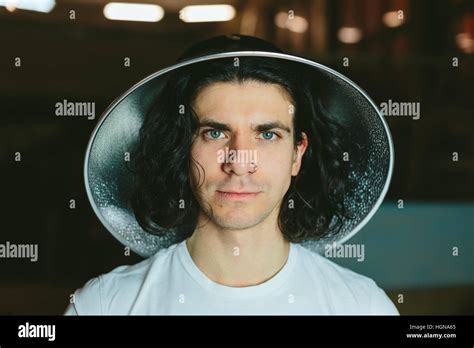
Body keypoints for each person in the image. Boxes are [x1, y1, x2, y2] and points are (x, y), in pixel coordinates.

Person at [64, 34, 398, 315]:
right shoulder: (105, 307)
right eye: (215, 133)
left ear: (297, 154)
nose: (239, 161)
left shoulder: (362, 307)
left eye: (267, 135)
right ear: (181, 148)